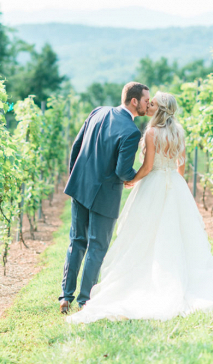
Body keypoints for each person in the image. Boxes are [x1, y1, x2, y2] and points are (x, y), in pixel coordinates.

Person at [67, 91, 213, 323]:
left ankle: (74, 294)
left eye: (153, 103)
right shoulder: (179, 132)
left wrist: (133, 180)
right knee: (177, 235)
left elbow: (147, 167)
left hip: (153, 183)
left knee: (141, 234)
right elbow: (181, 166)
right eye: (149, 101)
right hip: (174, 185)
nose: (149, 105)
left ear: (159, 109)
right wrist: (175, 186)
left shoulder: (150, 132)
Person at [59, 82, 150, 314]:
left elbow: (76, 146)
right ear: (134, 101)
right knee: (97, 245)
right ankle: (85, 300)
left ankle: (65, 297)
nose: (147, 104)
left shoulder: (97, 111)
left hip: (80, 185)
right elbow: (122, 171)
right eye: (145, 100)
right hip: (105, 195)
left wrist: (76, 175)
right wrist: (135, 177)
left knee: (76, 241)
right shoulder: (131, 132)